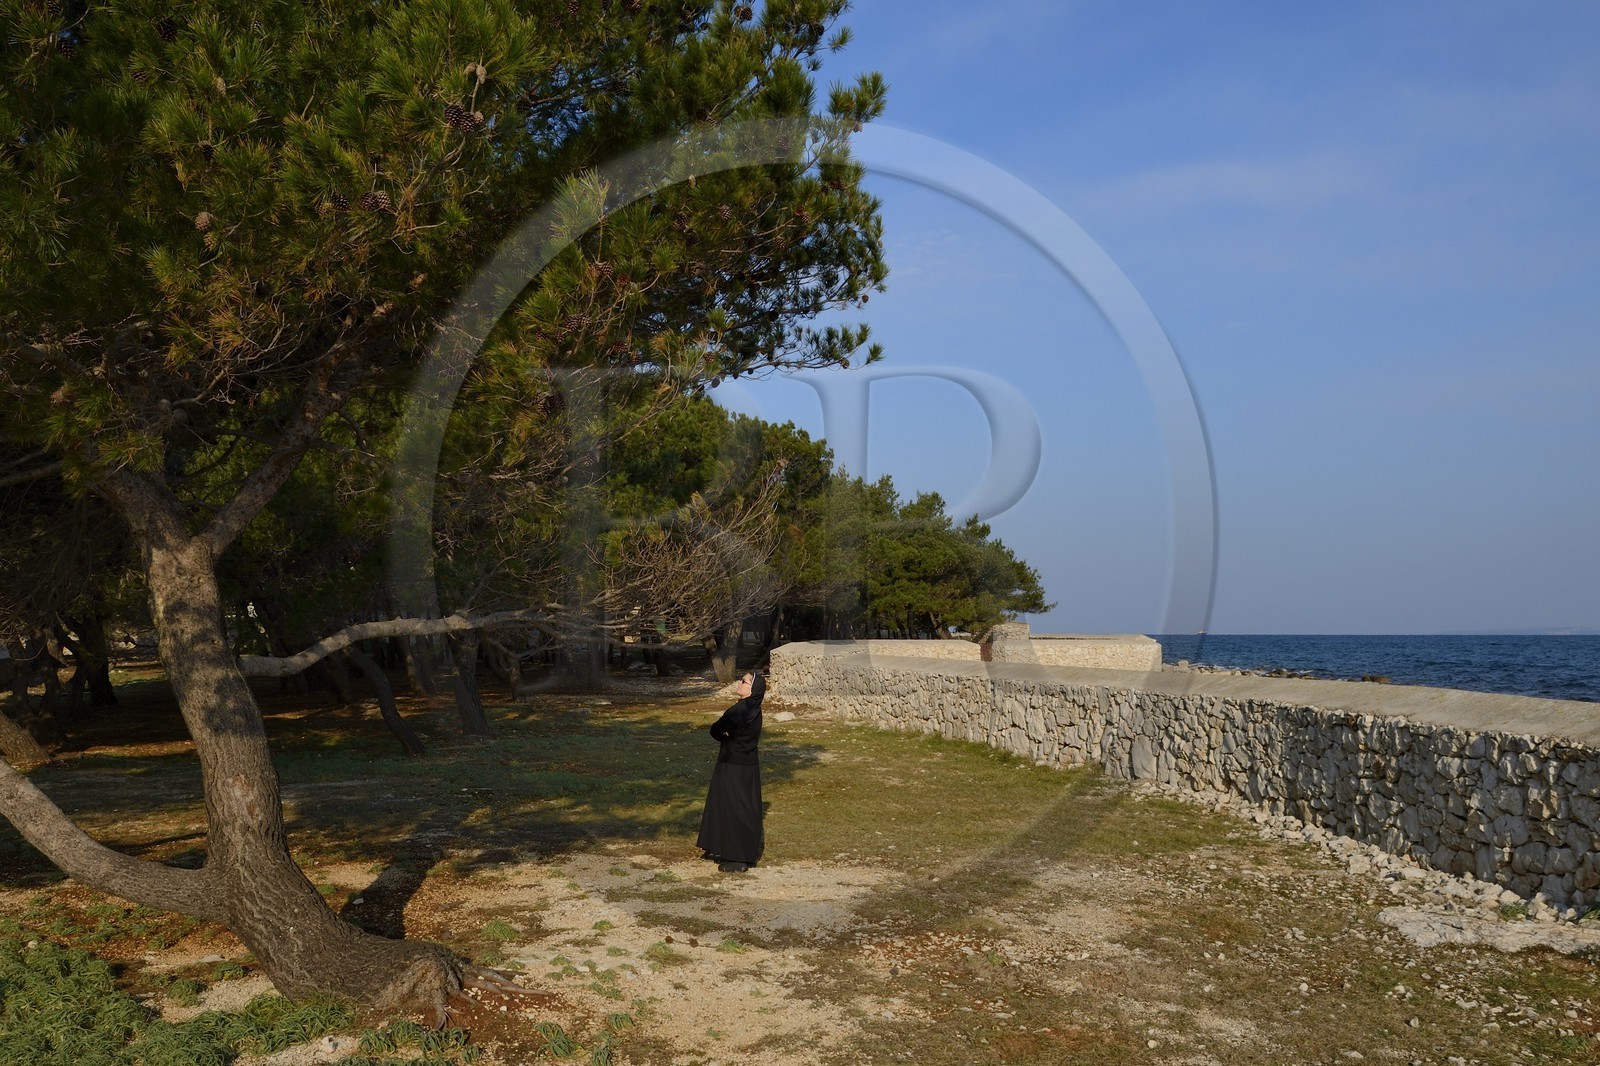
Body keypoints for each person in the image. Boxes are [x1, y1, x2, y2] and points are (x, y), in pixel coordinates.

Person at [697, 671, 765, 873]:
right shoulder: (754, 708)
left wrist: (726, 733)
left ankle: (737, 858)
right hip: (747, 765)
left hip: (733, 765)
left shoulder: (740, 709)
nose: (739, 683)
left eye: (743, 681)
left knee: (733, 808)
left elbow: (715, 730)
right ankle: (735, 851)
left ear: (752, 688)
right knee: (742, 807)